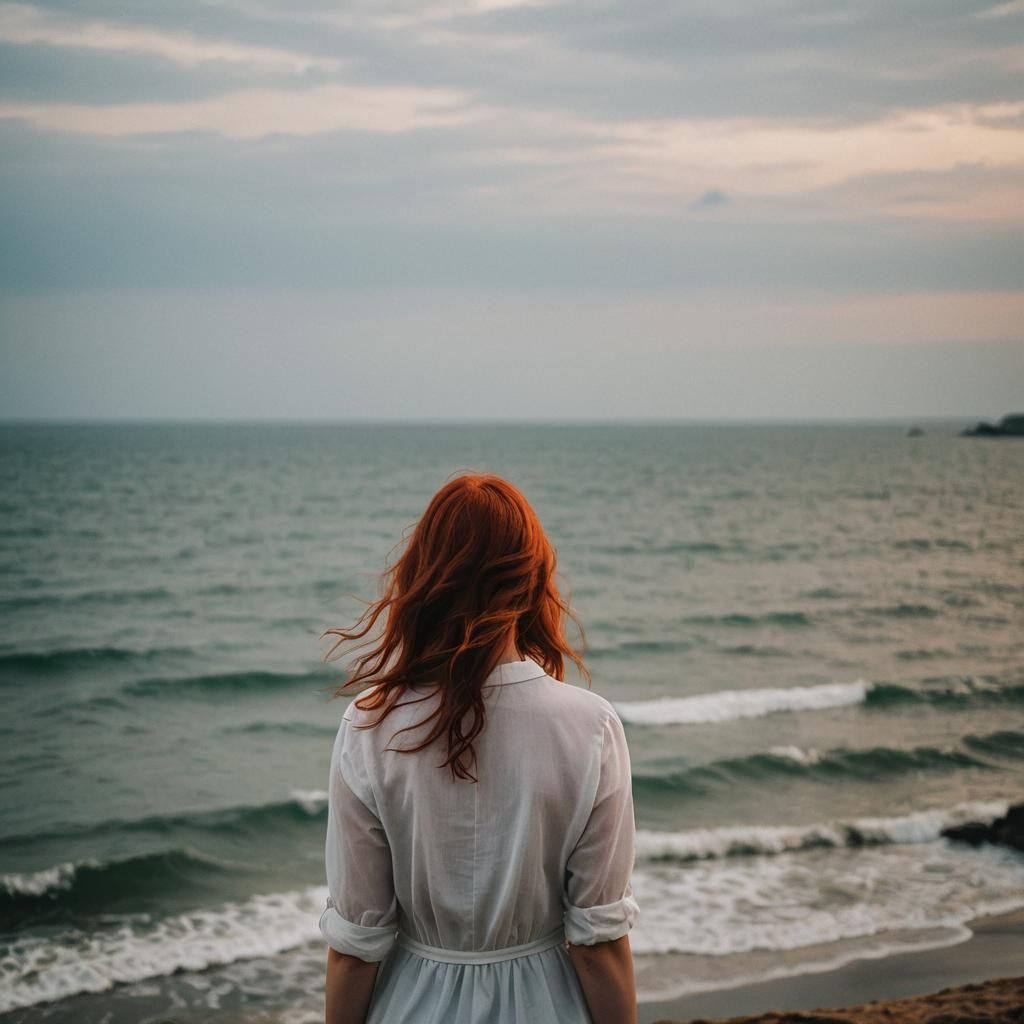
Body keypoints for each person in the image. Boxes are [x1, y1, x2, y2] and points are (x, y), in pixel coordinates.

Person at [318, 472, 639, 1024]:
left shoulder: (369, 726)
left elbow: (356, 945)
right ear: (532, 578)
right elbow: (597, 942)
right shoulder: (591, 727)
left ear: (424, 575)